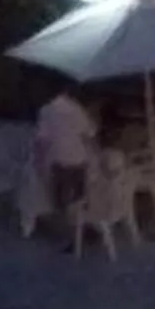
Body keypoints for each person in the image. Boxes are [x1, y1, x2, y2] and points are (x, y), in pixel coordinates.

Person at [34, 82, 96, 243]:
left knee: (60, 198)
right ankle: (79, 230)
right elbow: (89, 134)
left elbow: (42, 140)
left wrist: (39, 162)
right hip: (78, 158)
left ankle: (67, 234)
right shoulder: (77, 109)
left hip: (59, 159)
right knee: (78, 195)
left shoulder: (46, 110)